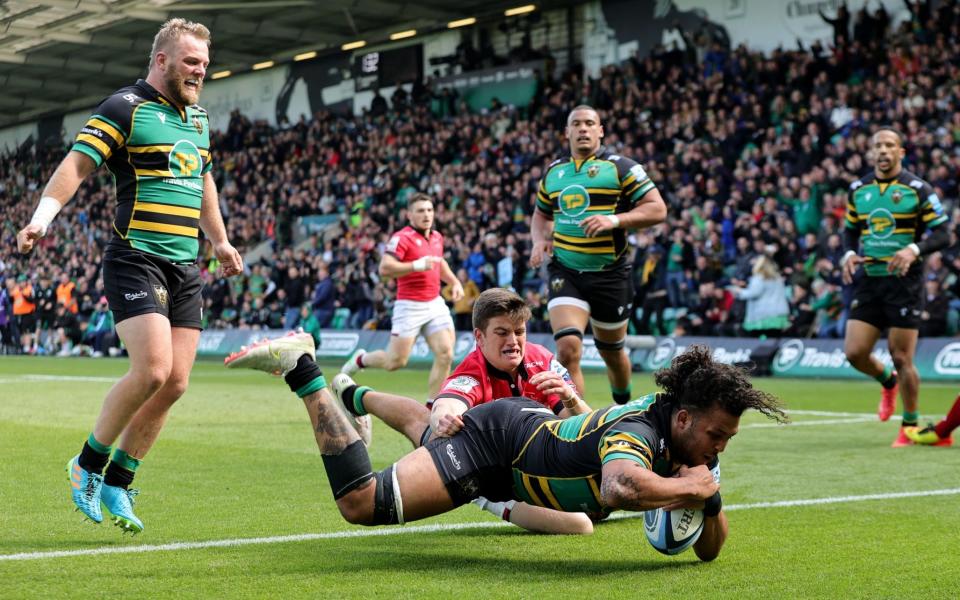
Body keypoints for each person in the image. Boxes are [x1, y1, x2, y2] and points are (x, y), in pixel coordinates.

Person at [227, 338, 786, 561]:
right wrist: (689, 486)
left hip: (523, 453)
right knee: (362, 502)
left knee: (427, 430)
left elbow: (709, 550)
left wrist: (708, 499)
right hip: (496, 445)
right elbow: (620, 486)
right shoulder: (639, 431)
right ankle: (304, 368)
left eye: (727, 439)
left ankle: (354, 393)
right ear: (685, 417)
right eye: (717, 436)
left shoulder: (695, 443)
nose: (719, 449)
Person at [16, 18, 243, 532]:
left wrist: (221, 241)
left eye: (204, 65)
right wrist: (41, 219)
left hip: (185, 265)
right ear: (161, 60)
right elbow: (76, 165)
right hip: (135, 256)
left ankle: (119, 481)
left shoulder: (199, 119)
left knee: (176, 383)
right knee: (154, 371)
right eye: (190, 62)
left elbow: (202, 180)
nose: (199, 71)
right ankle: (86, 465)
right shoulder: (126, 107)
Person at [330, 288, 594, 534]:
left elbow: (588, 428)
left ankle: (354, 396)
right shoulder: (473, 369)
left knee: (418, 421)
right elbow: (449, 402)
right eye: (502, 332)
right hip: (491, 471)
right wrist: (442, 415)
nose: (513, 342)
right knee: (580, 524)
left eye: (519, 331)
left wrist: (571, 398)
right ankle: (483, 496)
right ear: (479, 337)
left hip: (533, 461)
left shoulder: (543, 361)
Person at [530, 105, 667, 404]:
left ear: (600, 130)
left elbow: (658, 209)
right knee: (567, 348)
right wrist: (539, 240)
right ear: (566, 132)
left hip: (610, 275)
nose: (583, 129)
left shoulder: (621, 168)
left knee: (612, 353)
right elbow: (540, 215)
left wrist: (614, 220)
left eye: (590, 123)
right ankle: (578, 424)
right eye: (576, 124)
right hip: (565, 270)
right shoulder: (555, 172)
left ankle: (622, 406)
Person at [840, 128, 949, 447]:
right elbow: (849, 231)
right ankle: (887, 382)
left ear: (901, 152)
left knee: (902, 357)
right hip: (870, 278)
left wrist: (913, 249)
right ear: (870, 153)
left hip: (905, 282)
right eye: (877, 146)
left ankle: (910, 426)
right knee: (854, 352)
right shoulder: (858, 189)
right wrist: (848, 253)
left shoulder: (918, 189)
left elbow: (944, 233)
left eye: (889, 145)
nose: (883, 151)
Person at [341, 193, 464, 399]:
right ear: (409, 215)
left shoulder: (436, 237)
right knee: (395, 362)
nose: (426, 215)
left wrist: (454, 282)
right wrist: (416, 265)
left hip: (434, 303)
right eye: (420, 211)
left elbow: (439, 263)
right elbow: (385, 268)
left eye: (429, 210)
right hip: (409, 306)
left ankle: (432, 407)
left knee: (446, 354)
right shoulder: (402, 238)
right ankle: (361, 359)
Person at [730, 255, 790, 338]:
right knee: (774, 339)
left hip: (763, 316)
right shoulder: (778, 278)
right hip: (778, 315)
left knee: (759, 341)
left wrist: (739, 291)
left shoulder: (759, 278)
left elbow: (753, 293)